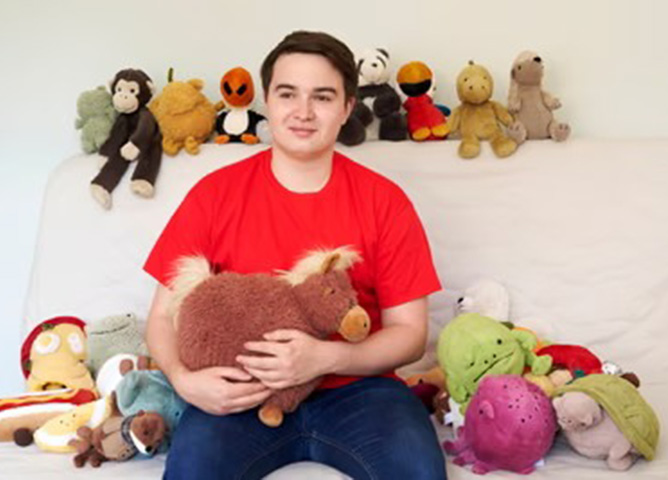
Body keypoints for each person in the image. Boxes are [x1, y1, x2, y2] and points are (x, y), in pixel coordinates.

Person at [144, 30, 447, 480]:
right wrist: (185, 382)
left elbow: (409, 334)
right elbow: (162, 318)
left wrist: (325, 358)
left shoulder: (385, 201)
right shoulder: (214, 195)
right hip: (242, 391)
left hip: (361, 392)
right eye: (288, 94)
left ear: (346, 109)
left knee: (418, 471)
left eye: (323, 97)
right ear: (267, 100)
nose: (303, 112)